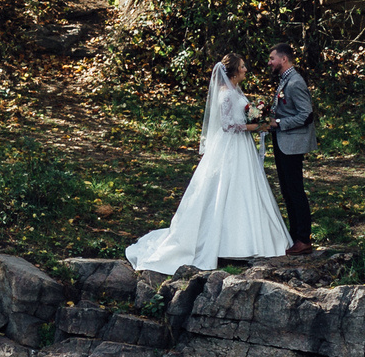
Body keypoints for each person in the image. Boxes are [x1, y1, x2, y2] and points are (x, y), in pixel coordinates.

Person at [124, 53, 291, 275]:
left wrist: (254, 119)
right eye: (242, 66)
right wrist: (254, 127)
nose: (245, 69)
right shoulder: (226, 95)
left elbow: (240, 118)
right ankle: (224, 243)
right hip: (230, 146)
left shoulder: (235, 92)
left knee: (245, 189)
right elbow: (227, 126)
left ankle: (250, 242)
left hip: (242, 147)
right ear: (233, 71)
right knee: (223, 189)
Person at [250, 45, 319, 256]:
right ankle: (295, 235)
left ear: (284, 59)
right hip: (283, 143)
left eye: (272, 58)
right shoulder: (285, 79)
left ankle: (304, 238)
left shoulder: (295, 82)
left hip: (292, 144)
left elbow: (307, 115)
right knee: (287, 190)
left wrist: (277, 122)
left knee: (295, 190)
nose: (269, 62)